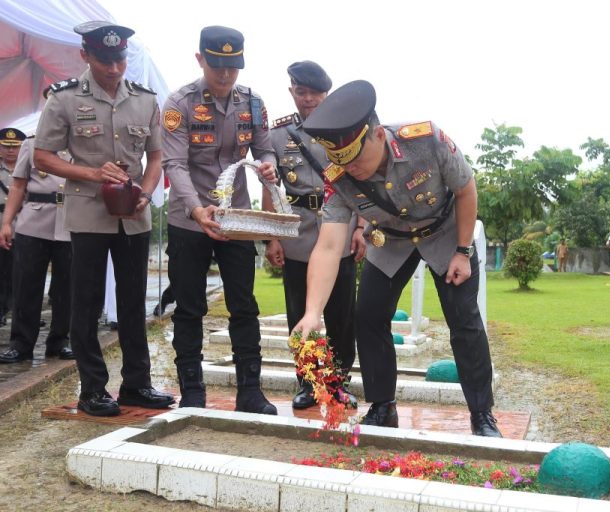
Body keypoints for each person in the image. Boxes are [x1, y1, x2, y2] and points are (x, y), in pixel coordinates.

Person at [293, 80, 503, 437]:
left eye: (356, 159)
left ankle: (482, 414)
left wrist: (463, 251)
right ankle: (383, 406)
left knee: (464, 321)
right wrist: (312, 312)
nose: (352, 170)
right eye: (343, 163)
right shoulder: (339, 176)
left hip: (445, 233)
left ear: (377, 135)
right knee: (368, 315)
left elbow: (466, 189)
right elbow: (328, 246)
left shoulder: (426, 140)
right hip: (390, 240)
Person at [34, 21, 174, 416]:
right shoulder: (63, 98)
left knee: (133, 302)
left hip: (133, 215)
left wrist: (146, 190)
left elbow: (156, 157)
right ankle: (93, 389)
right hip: (88, 214)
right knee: (87, 302)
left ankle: (136, 385)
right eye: (104, 60)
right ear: (85, 55)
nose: (113, 69)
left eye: (119, 60)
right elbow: (42, 156)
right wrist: (92, 173)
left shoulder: (144, 99)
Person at [162, 26, 279, 414]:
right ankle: (193, 392)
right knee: (189, 307)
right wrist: (198, 210)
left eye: (233, 66)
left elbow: (265, 151)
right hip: (189, 219)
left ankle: (251, 391)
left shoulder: (254, 103)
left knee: (244, 305)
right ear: (200, 59)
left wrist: (268, 167)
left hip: (236, 219)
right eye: (217, 66)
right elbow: (174, 164)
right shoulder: (179, 103)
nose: (226, 74)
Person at [266, 61, 365, 410]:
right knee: (299, 312)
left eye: (315, 93)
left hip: (341, 229)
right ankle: (308, 384)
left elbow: (359, 180)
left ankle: (337, 385)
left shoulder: (344, 127)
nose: (308, 99)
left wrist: (362, 228)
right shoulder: (278, 135)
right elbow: (270, 186)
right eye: (301, 92)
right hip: (298, 233)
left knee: (342, 316)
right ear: (292, 92)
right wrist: (272, 237)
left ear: (327, 93)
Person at [0, 134, 74, 363]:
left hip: (71, 222)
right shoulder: (31, 144)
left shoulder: (81, 143)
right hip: (33, 222)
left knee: (66, 288)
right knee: (26, 286)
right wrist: (6, 223)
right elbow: (18, 185)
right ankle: (21, 345)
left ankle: (60, 341)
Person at [0, 127, 23, 326]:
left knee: (21, 273)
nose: (10, 150)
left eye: (14, 146)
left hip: (22, 227)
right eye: (6, 146)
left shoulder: (29, 170)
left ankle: (20, 311)